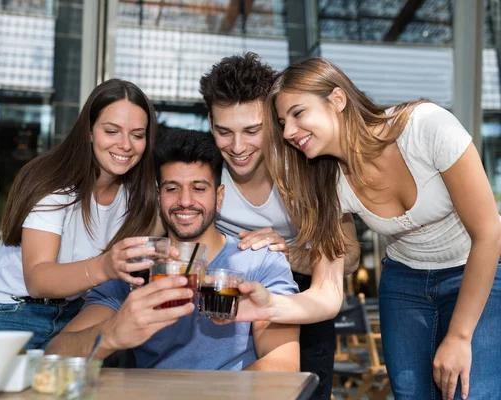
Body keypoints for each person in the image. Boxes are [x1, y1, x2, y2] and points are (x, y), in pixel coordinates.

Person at [263, 56, 501, 400]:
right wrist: (264, 304)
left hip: (476, 269)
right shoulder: (328, 181)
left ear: (338, 99)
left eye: (298, 113)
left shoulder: (426, 127)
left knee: (473, 393)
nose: (288, 132)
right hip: (404, 284)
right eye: (283, 122)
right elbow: (329, 291)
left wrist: (460, 337)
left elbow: (489, 233)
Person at [46, 129, 300, 371]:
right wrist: (113, 334)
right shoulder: (134, 268)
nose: (185, 201)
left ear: (219, 196)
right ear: (159, 197)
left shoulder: (261, 261)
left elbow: (282, 366)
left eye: (199, 188)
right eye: (172, 188)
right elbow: (55, 353)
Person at [198, 53, 360, 399]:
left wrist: (287, 254)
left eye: (252, 131)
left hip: (300, 294)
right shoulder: (205, 169)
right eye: (223, 131)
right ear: (209, 121)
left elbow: (351, 256)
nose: (237, 148)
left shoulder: (307, 167)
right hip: (223, 295)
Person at [0, 79, 161, 349]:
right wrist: (107, 265)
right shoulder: (54, 183)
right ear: (89, 131)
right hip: (11, 317)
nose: (125, 145)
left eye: (137, 135)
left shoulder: (138, 196)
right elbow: (38, 280)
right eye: (112, 131)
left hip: (76, 316)